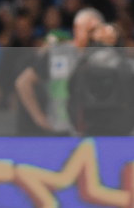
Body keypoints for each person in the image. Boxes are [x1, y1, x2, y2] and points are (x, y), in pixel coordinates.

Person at [15, 7, 104, 135]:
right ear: (76, 28)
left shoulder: (106, 58)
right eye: (88, 29)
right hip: (60, 129)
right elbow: (23, 83)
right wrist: (39, 118)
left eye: (96, 30)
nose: (92, 35)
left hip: (96, 130)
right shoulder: (57, 54)